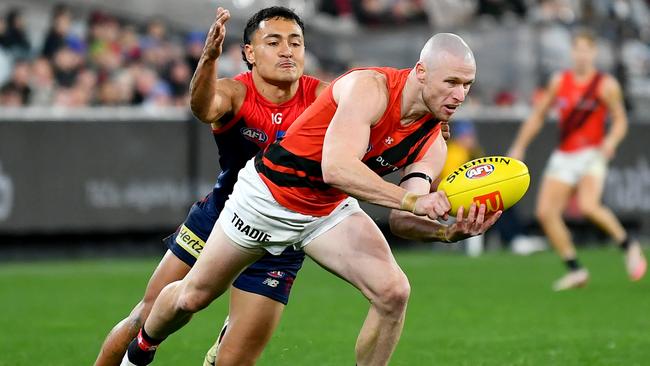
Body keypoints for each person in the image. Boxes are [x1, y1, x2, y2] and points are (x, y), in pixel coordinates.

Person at [122, 32, 501, 366]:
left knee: (393, 291)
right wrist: (413, 201)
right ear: (421, 72)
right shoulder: (370, 88)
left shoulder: (432, 141)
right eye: (451, 82)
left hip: (327, 211)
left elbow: (403, 218)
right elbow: (336, 168)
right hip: (268, 197)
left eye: (467, 85)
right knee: (193, 297)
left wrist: (444, 233)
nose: (459, 95)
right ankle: (141, 349)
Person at [96, 7, 330, 366]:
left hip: (281, 236)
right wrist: (208, 60)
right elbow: (202, 106)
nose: (287, 50)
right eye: (274, 41)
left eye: (295, 42)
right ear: (250, 53)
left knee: (234, 362)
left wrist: (426, 130)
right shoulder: (235, 93)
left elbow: (377, 114)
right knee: (146, 313)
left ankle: (224, 342)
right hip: (219, 217)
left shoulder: (325, 98)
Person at [508, 29, 646, 291]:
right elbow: (538, 116)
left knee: (588, 206)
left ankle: (629, 246)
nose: (581, 55)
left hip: (592, 153)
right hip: (565, 153)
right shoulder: (561, 81)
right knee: (545, 212)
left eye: (586, 49)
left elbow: (620, 121)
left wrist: (611, 142)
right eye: (577, 49)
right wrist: (519, 146)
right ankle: (576, 269)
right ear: (572, 53)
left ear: (594, 53)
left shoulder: (606, 85)